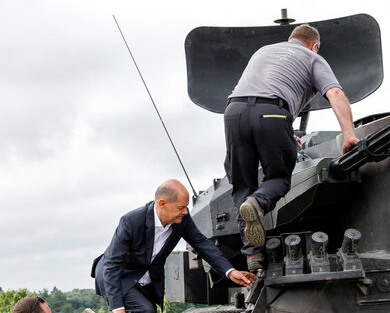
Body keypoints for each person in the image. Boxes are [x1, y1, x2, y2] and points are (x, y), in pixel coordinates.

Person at [224, 24, 360, 270]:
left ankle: (253, 256)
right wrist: (349, 135)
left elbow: (257, 98)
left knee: (242, 185)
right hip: (273, 113)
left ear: (290, 39)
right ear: (314, 45)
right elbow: (336, 93)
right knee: (278, 179)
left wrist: (284, 133)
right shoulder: (312, 58)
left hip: (234, 112)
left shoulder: (264, 51)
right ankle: (258, 203)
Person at [92, 179, 257, 313]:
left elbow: (201, 243)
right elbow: (112, 265)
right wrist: (117, 308)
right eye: (181, 207)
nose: (186, 212)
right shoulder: (131, 221)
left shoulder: (182, 219)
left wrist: (230, 271)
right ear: (163, 204)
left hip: (145, 279)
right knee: (146, 311)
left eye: (186, 207)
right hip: (119, 276)